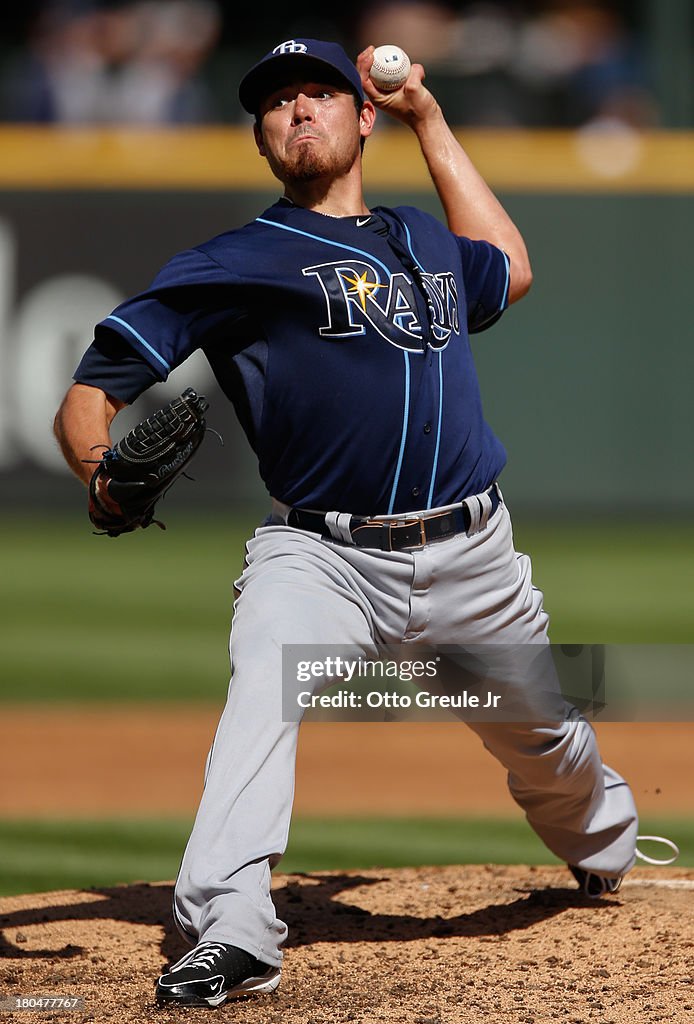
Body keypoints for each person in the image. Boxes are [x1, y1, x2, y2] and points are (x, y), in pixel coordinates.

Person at [54, 37, 643, 1009]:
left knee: (547, 742)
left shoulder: (421, 237)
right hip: (319, 554)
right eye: (275, 101)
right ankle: (232, 927)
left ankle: (604, 839)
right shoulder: (237, 260)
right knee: (261, 678)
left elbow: (512, 268)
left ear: (359, 116)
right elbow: (92, 393)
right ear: (260, 138)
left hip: (471, 554)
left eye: (316, 93)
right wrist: (96, 473)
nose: (296, 110)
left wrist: (430, 115)